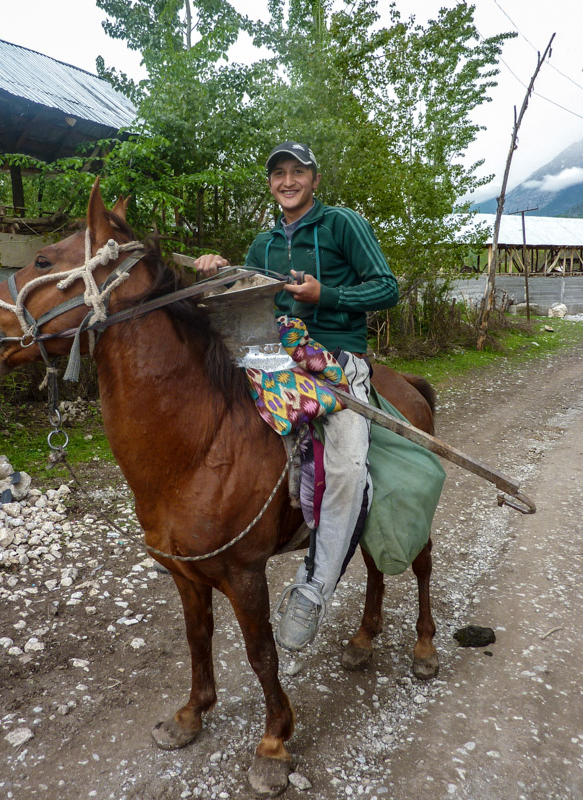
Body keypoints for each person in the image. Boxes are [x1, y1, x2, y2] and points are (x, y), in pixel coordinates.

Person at [195, 141, 399, 651]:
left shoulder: (343, 224)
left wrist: (325, 296)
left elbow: (386, 288)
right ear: (271, 183)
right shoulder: (263, 243)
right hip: (273, 359)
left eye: (298, 172)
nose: (288, 181)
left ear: (315, 179)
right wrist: (219, 272)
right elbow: (244, 297)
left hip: (335, 359)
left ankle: (313, 590)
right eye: (279, 174)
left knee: (349, 467)